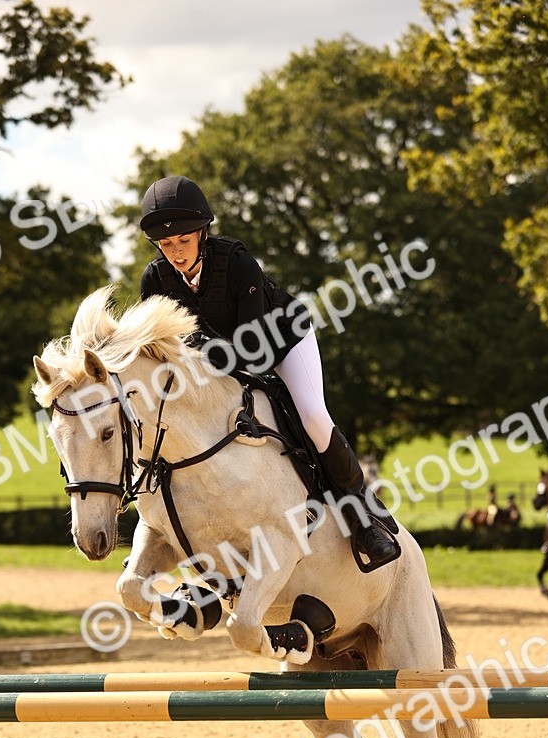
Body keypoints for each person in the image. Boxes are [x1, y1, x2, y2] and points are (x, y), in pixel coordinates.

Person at [138, 176, 398, 568]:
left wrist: (199, 356)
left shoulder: (237, 263)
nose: (175, 252)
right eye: (166, 244)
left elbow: (254, 352)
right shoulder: (155, 280)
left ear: (203, 233)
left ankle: (364, 519)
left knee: (312, 416)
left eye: (183, 240)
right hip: (219, 361)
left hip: (281, 341)